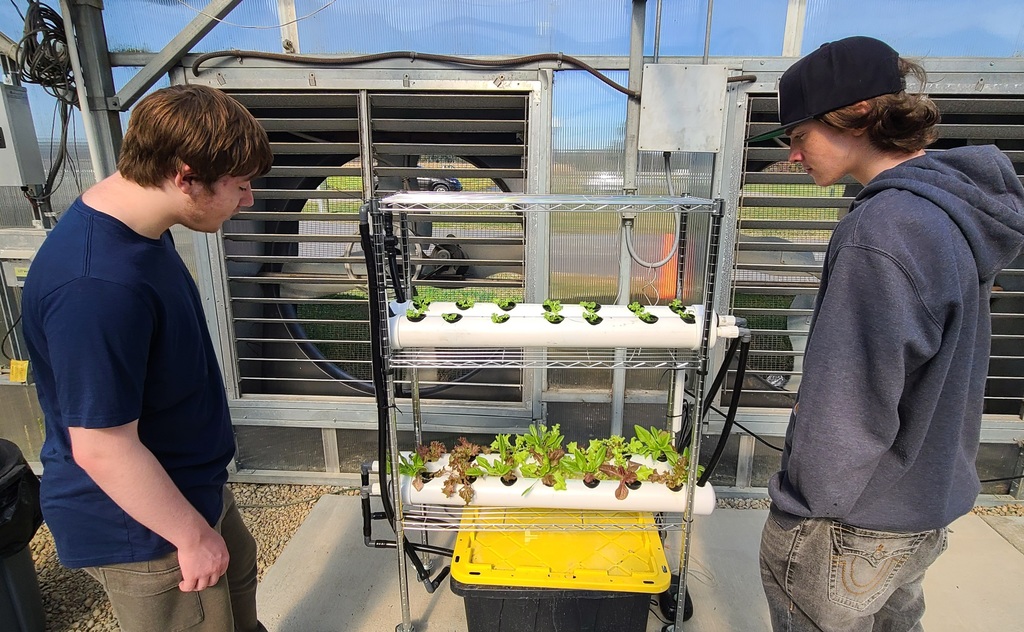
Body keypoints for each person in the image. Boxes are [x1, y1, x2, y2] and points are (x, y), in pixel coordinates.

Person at [750, 36, 1024, 631]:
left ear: (857, 117)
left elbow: (855, 396)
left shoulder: (884, 228)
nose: (793, 155)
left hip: (855, 521)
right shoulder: (953, 211)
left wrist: (803, 506)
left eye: (799, 134)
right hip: (923, 503)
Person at [22, 84, 274, 632]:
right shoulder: (96, 284)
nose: (248, 200)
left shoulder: (140, 225)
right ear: (185, 175)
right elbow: (103, 448)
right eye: (240, 185)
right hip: (143, 527)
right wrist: (189, 535)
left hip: (188, 486)